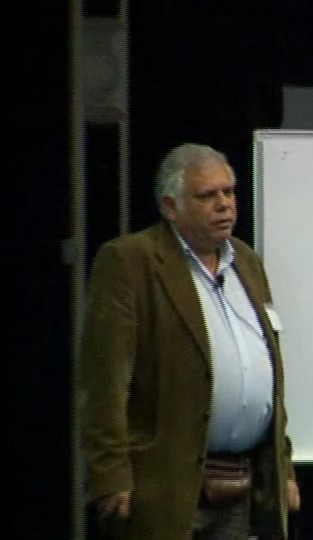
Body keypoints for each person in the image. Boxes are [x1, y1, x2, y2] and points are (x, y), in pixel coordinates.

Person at [79, 142, 300, 540]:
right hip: (165, 486)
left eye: (229, 192)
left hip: (244, 483)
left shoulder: (246, 261)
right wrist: (110, 473)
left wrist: (283, 468)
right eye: (207, 195)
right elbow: (104, 381)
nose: (224, 204)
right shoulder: (131, 261)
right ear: (170, 207)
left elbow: (269, 371)